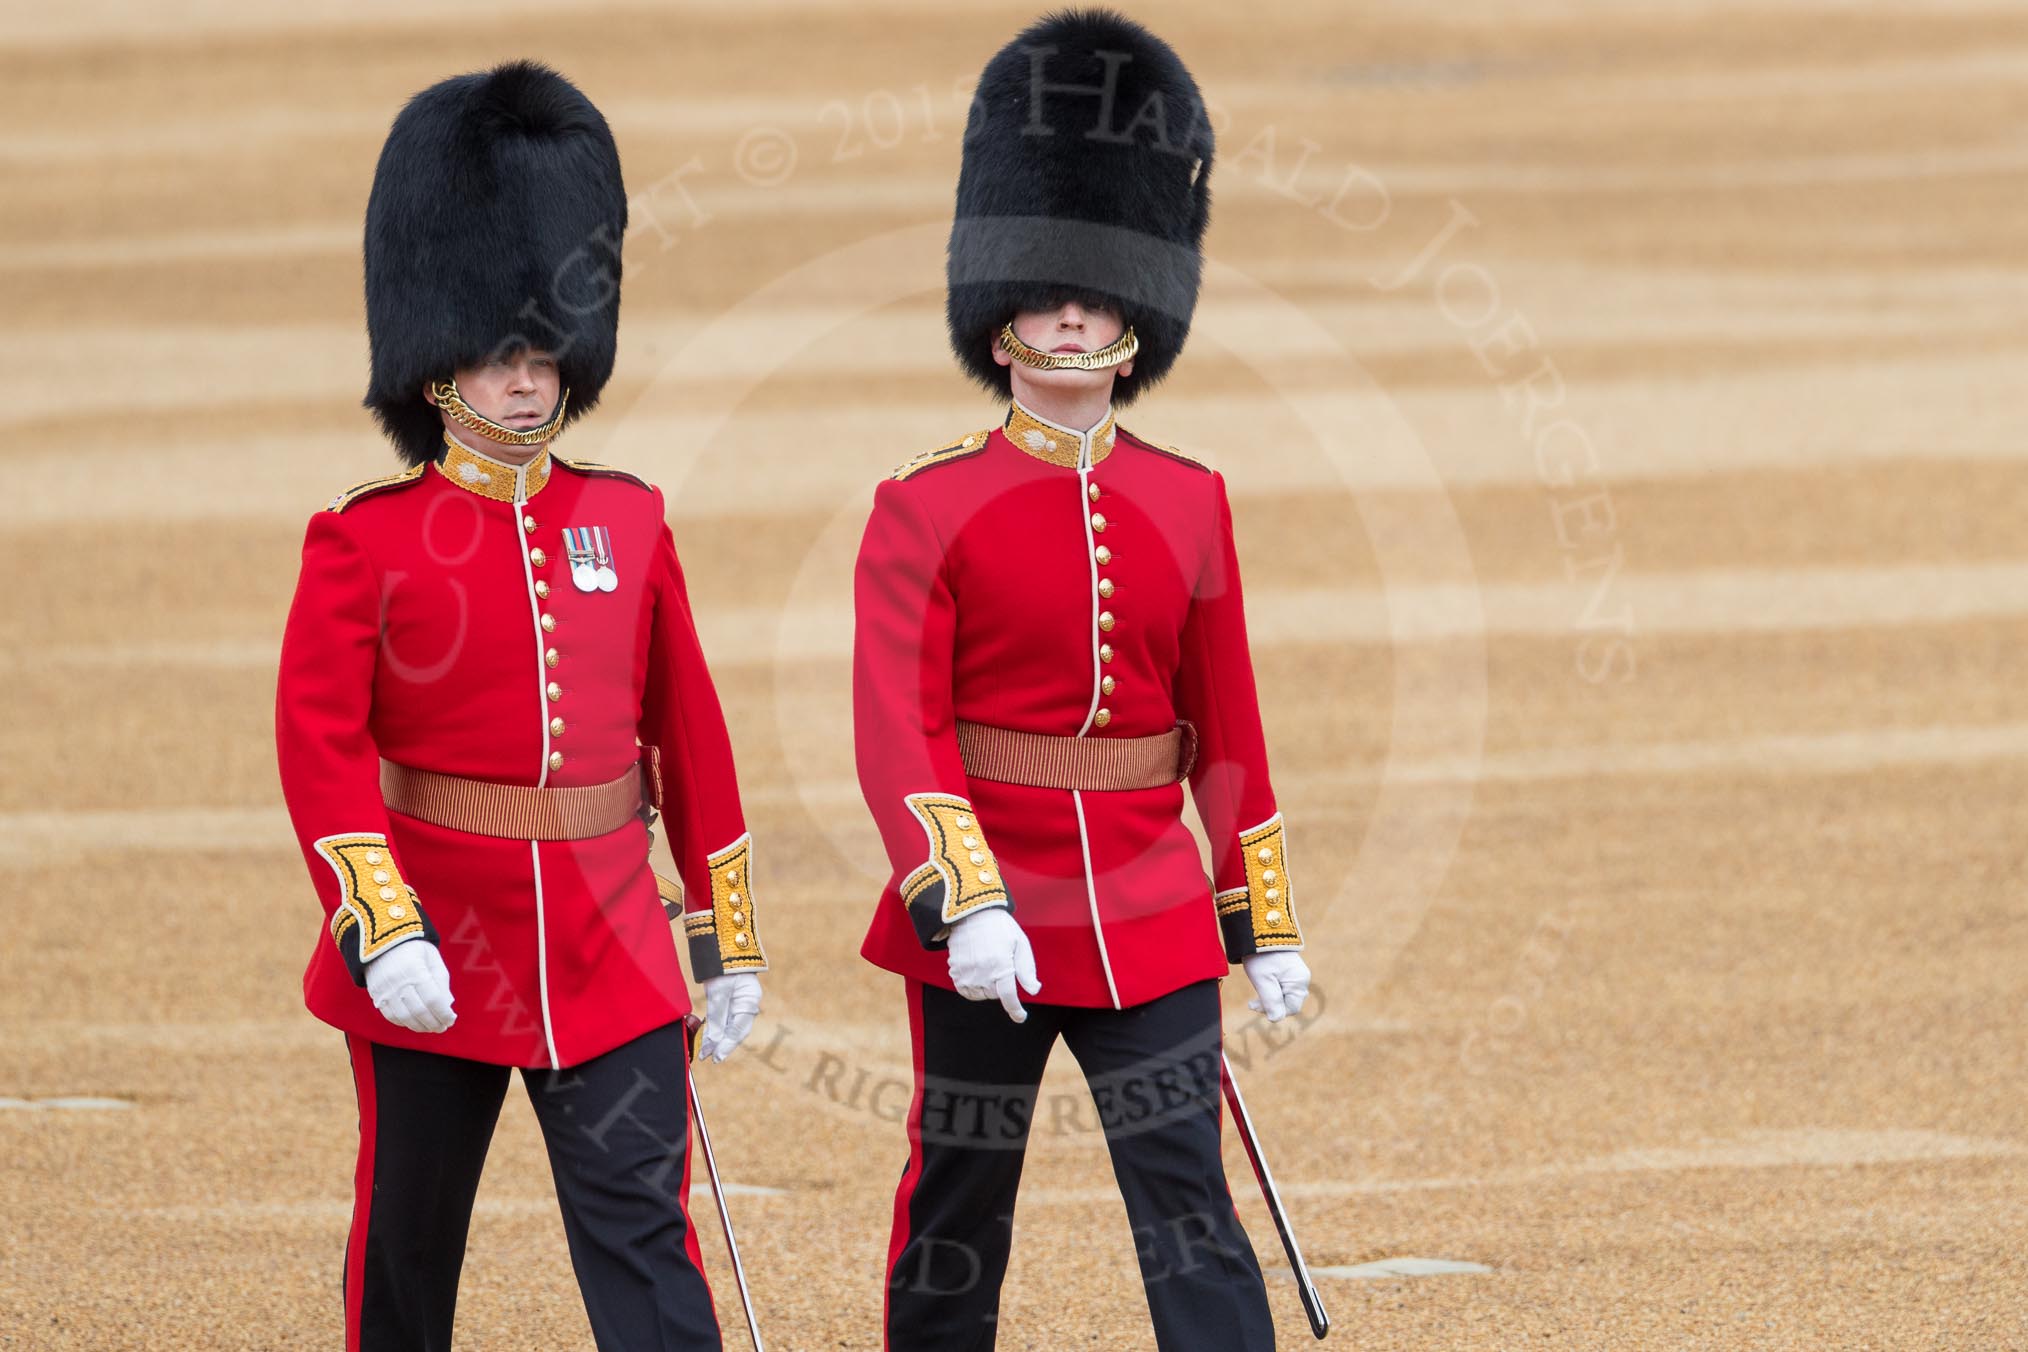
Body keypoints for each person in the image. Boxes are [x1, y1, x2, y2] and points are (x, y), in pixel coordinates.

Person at [275, 60, 764, 1351]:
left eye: (546, 353)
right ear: (439, 362)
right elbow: (319, 750)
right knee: (408, 1246)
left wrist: (726, 932)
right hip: (440, 936)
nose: (529, 381)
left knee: (645, 1244)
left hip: (609, 946)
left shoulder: (629, 518)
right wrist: (382, 927)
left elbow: (689, 731)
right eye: (499, 355)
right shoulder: (364, 544)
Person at [852, 11, 1311, 1349]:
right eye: (1048, 290)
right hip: (989, 903)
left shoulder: (1190, 500)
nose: (1071, 308)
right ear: (1000, 320)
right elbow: (900, 734)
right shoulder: (924, 507)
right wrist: (963, 898)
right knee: (957, 1202)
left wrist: (1261, 911)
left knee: (1187, 1206)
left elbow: (1227, 731)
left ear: (1135, 314)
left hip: (1153, 906)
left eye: (1099, 292)